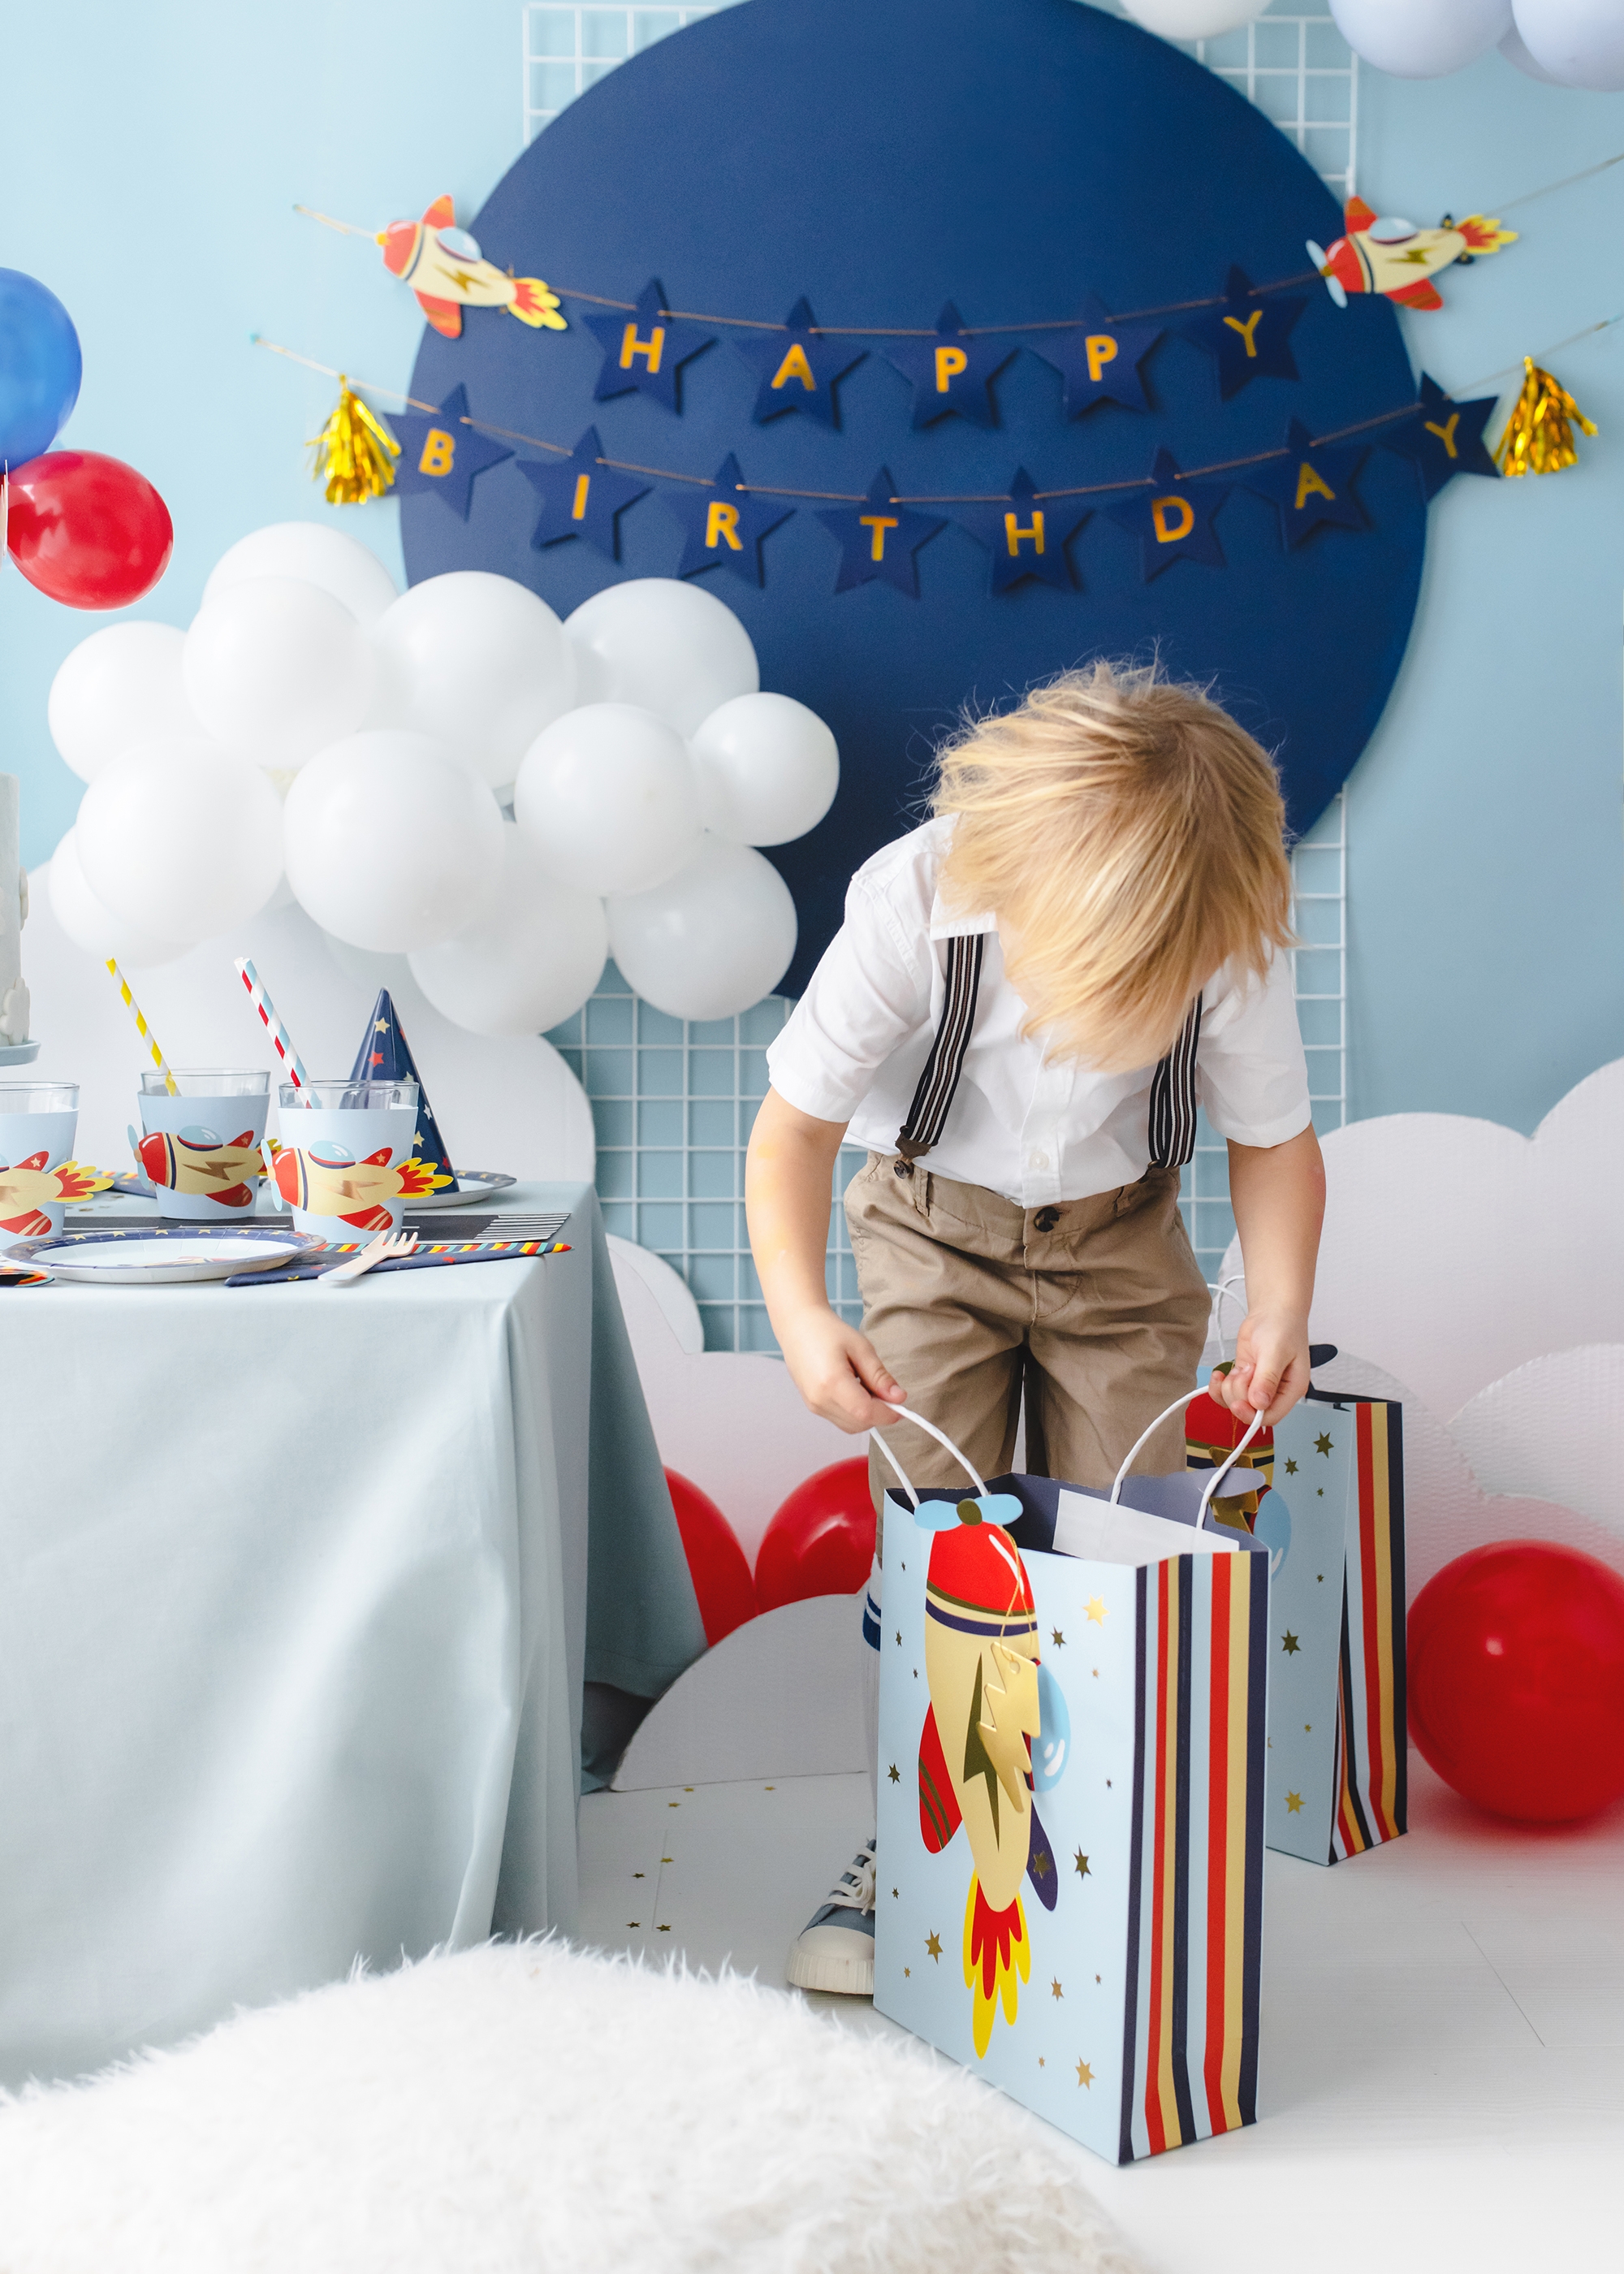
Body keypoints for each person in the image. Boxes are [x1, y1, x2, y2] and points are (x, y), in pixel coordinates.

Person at [745, 661, 1324, 1995]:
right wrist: (802, 1316)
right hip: (929, 1231)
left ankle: (1103, 1840)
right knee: (944, 1542)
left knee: (1125, 1543)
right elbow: (795, 1133)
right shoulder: (916, 897)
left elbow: (1275, 1143)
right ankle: (930, 1840)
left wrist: (1280, 1302)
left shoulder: (1224, 924)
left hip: (1123, 1246)